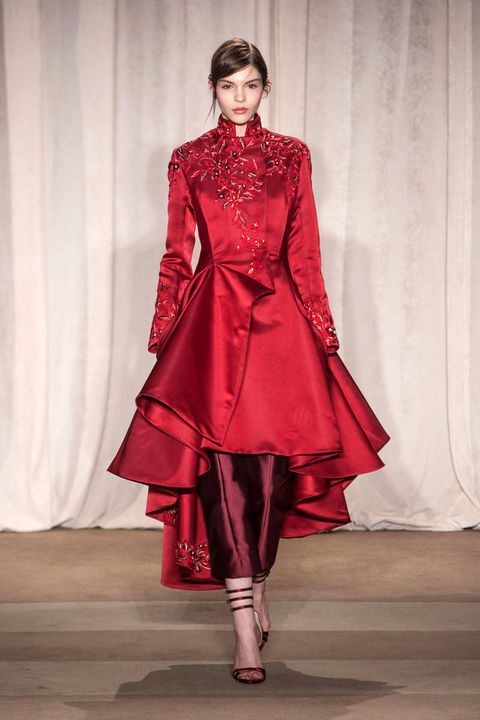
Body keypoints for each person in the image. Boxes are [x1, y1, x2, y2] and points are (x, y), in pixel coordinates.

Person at [107, 37, 390, 684]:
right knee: (222, 472)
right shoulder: (189, 159)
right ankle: (243, 625)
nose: (240, 97)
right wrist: (166, 333)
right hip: (211, 322)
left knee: (269, 474)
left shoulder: (292, 155)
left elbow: (305, 249)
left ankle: (257, 583)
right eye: (229, 85)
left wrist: (321, 329)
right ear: (213, 88)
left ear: (265, 88)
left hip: (280, 323)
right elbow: (178, 252)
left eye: (251, 85)